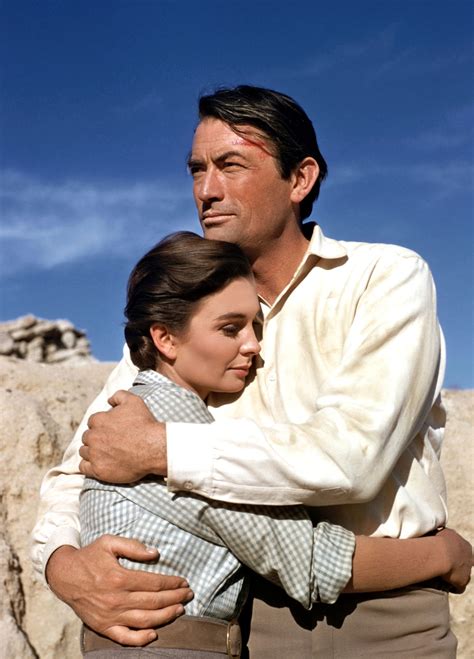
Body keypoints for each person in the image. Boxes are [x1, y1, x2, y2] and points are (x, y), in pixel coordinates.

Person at [32, 85, 472, 657]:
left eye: (230, 165)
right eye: (197, 170)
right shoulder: (185, 316)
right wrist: (63, 567)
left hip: (385, 619)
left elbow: (351, 458)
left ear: (300, 179)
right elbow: (87, 463)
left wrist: (160, 450)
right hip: (240, 622)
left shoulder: (383, 279)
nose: (206, 191)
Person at [79, 230, 468, 658]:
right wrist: (440, 556)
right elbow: (307, 560)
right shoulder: (161, 420)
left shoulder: (135, 412)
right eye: (231, 329)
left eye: (255, 326)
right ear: (164, 339)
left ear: (301, 178)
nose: (254, 346)